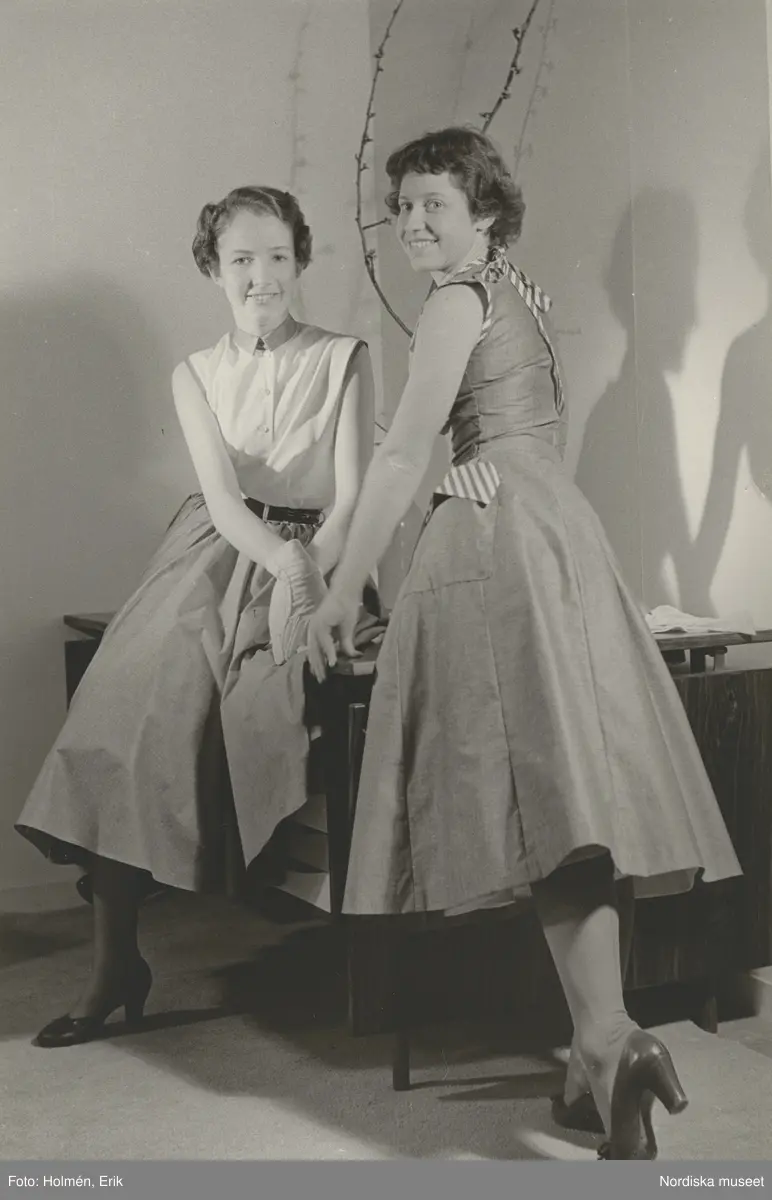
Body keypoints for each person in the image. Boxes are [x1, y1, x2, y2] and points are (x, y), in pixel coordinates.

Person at [306, 128, 742, 1159]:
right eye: (403, 205)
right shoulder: (520, 297)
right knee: (575, 800)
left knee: (544, 801)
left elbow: (404, 452)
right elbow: (516, 434)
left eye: (435, 205)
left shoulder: (457, 300)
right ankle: (596, 1057)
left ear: (485, 214)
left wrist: (341, 587)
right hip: (559, 534)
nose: (413, 222)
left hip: (498, 544)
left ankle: (607, 1041)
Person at [17, 185, 378, 1049]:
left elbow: (355, 497)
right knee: (119, 709)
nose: (262, 277)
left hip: (326, 557)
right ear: (214, 269)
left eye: (279, 257)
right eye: (242, 260)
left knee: (263, 708)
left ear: (300, 260)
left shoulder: (346, 357)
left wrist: (307, 573)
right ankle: (115, 964)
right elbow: (222, 502)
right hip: (218, 555)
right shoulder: (196, 373)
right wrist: (278, 559)